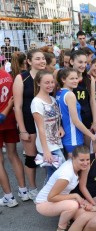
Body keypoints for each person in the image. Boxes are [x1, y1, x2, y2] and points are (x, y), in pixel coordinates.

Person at [35, 145, 90, 231]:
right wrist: (75, 196)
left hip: (59, 199)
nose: (85, 163)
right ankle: (61, 229)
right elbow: (51, 197)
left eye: (87, 159)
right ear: (73, 158)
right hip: (44, 203)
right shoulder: (66, 174)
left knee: (83, 215)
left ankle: (68, 218)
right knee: (73, 205)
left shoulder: (80, 167)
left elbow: (82, 185)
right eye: (82, 160)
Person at [13, 49, 46, 200]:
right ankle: (32, 188)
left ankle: (49, 187)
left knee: (48, 157)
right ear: (29, 61)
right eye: (38, 59)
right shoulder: (21, 78)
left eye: (43, 58)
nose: (42, 61)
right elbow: (17, 106)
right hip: (29, 123)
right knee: (31, 157)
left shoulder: (48, 75)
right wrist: (22, 130)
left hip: (46, 123)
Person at [0, 68, 28, 207]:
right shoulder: (7, 75)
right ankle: (23, 191)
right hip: (10, 120)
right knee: (13, 154)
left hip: (2, 118)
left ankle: (9, 197)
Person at [31, 70, 65, 183]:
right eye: (46, 82)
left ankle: (43, 199)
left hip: (57, 142)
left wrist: (60, 127)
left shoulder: (53, 99)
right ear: (38, 83)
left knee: (52, 177)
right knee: (63, 173)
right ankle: (45, 198)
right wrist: (45, 151)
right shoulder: (36, 102)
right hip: (47, 146)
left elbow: (56, 119)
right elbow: (40, 128)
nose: (50, 85)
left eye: (52, 82)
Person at [56, 68, 96, 157]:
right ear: (63, 79)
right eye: (72, 78)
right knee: (75, 167)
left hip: (67, 134)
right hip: (73, 135)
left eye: (76, 78)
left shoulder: (59, 92)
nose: (75, 81)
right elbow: (75, 120)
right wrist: (91, 136)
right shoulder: (70, 95)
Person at [70, 50, 96, 147]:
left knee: (87, 148)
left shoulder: (90, 79)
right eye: (80, 62)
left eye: (85, 62)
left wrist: (94, 121)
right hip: (71, 118)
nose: (83, 65)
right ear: (72, 62)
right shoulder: (64, 77)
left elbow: (92, 101)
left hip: (86, 117)